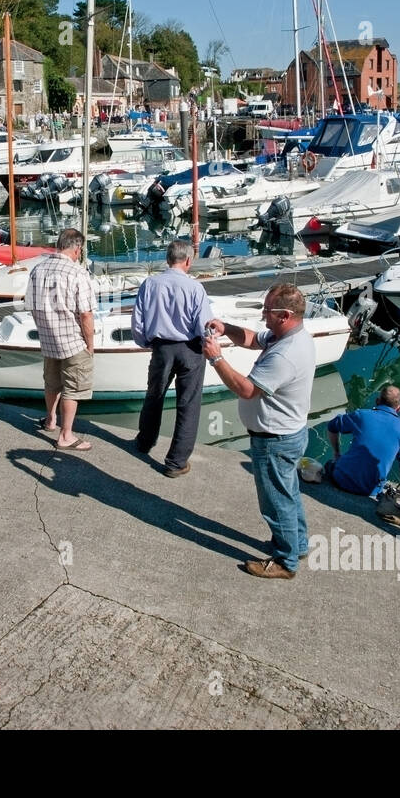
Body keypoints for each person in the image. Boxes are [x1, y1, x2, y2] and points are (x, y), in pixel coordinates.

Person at [203, 282, 315, 579]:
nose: (263, 316)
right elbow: (253, 339)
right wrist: (225, 327)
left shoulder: (285, 355)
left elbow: (247, 389)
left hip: (274, 440)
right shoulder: (289, 336)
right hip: (288, 434)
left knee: (275, 502)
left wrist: (216, 358)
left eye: (268, 311)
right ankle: (297, 544)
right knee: (287, 494)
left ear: (285, 315)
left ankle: (285, 561)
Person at [131, 239, 223, 477]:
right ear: (189, 261)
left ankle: (144, 441)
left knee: (154, 395)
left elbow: (138, 321)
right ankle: (176, 461)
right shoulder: (195, 288)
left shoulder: (149, 284)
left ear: (167, 258)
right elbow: (204, 325)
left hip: (161, 347)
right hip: (190, 349)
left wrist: (147, 343)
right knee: (188, 404)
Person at [26, 228, 95, 451]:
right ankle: (66, 435)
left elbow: (31, 306)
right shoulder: (77, 273)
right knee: (72, 388)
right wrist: (90, 345)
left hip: (48, 338)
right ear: (77, 248)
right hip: (73, 340)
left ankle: (50, 420)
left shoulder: (37, 269)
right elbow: (85, 313)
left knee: (52, 383)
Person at [325, 384, 400, 500]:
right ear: (399, 408)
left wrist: (337, 453)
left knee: (329, 465)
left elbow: (332, 426)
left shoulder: (361, 415)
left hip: (341, 480)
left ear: (377, 401)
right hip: (370, 490)